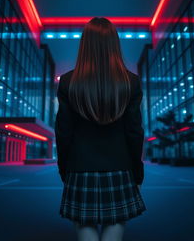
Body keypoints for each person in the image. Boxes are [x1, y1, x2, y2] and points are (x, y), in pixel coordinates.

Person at [55, 17, 146, 241]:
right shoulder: (130, 82)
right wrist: (137, 170)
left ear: (84, 44)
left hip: (79, 167)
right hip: (120, 166)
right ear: (114, 43)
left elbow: (63, 132)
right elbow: (134, 131)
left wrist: (64, 169)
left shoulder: (68, 81)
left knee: (83, 222)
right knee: (115, 221)